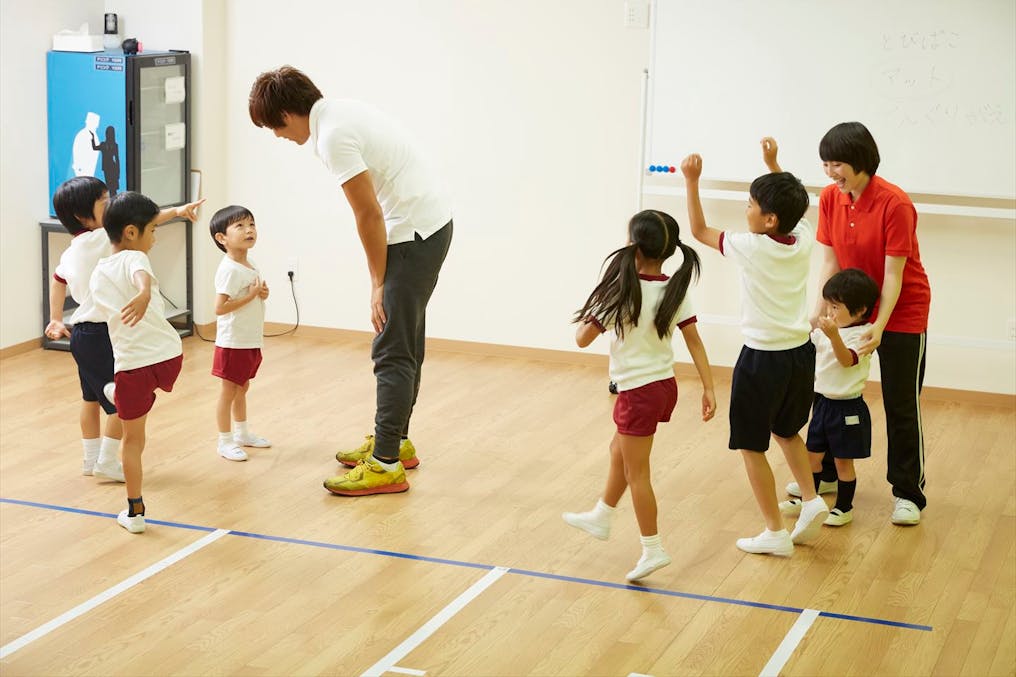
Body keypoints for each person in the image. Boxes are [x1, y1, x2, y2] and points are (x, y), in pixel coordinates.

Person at [248, 66, 453, 496]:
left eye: (274, 127)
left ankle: (385, 463)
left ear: (286, 114)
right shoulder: (339, 112)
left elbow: (368, 214)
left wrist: (377, 284)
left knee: (391, 349)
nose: (278, 136)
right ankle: (394, 442)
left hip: (412, 234)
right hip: (430, 226)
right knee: (405, 341)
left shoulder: (333, 136)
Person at [776, 123, 931, 526]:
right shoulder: (831, 198)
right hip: (846, 311)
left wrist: (879, 325)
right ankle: (827, 474)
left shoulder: (895, 204)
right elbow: (829, 260)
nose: (831, 172)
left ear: (860, 161)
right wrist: (819, 312)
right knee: (830, 391)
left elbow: (894, 274)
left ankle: (908, 493)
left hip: (902, 311)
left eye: (837, 164)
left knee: (901, 402)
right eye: (825, 164)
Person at [680, 140, 827, 557]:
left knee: (751, 445)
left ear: (769, 219)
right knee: (787, 431)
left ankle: (774, 532)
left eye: (750, 205)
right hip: (800, 354)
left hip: (762, 359)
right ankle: (811, 500)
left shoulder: (750, 246)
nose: (745, 211)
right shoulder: (803, 237)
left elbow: (699, 231)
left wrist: (691, 181)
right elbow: (793, 207)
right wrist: (773, 164)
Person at [562, 210, 716, 582]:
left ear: (634, 247)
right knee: (618, 451)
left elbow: (581, 339)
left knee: (638, 472)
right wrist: (709, 387)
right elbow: (694, 342)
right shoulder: (674, 289)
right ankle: (602, 515)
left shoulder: (621, 291)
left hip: (637, 392)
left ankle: (653, 548)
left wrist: (600, 297)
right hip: (663, 387)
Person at [46, 176, 202, 482]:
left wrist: (55, 318)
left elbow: (57, 281)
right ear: (83, 216)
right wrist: (178, 211)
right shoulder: (104, 238)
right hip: (105, 333)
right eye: (104, 202)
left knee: (90, 398)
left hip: (81, 335)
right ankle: (107, 460)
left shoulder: (70, 251)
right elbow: (140, 220)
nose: (111, 205)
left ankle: (91, 459)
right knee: (121, 402)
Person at [89, 191, 185, 534]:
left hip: (133, 367)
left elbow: (104, 307)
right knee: (135, 400)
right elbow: (140, 273)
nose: (154, 238)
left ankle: (135, 513)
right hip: (169, 358)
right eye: (153, 230)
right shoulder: (136, 258)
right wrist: (143, 292)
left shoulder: (100, 272)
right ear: (131, 232)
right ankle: (121, 394)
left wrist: (143, 293)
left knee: (132, 441)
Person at [780, 268, 880, 526]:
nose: (830, 312)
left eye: (836, 307)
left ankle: (844, 508)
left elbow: (846, 360)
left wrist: (833, 335)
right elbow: (807, 342)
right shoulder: (828, 329)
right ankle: (809, 500)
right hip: (823, 403)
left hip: (847, 408)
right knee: (812, 457)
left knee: (843, 462)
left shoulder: (864, 334)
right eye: (828, 306)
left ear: (860, 310)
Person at [209, 205, 271, 462]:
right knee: (229, 391)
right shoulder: (229, 269)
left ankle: (242, 433)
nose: (249, 230)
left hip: (249, 338)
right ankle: (225, 441)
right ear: (222, 238)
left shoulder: (248, 262)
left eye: (251, 224)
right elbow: (220, 308)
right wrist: (251, 295)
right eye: (240, 226)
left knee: (242, 387)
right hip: (233, 342)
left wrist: (261, 293)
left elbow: (252, 293)